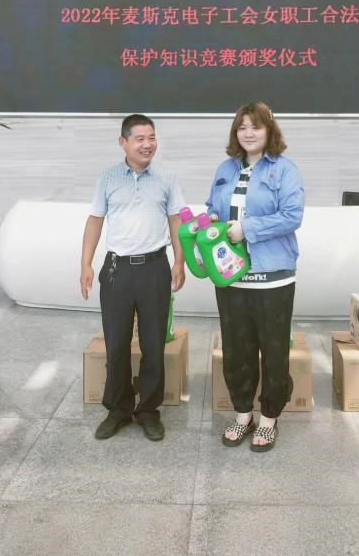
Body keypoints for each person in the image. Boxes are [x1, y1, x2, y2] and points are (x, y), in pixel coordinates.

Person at [80, 113, 185, 442]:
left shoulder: (167, 177)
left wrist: (179, 261)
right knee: (116, 344)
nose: (147, 144)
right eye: (140, 138)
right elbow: (95, 221)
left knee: (154, 344)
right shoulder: (108, 178)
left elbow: (176, 222)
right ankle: (118, 408)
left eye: (152, 137)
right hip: (117, 270)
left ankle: (149, 410)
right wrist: (85, 264)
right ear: (123, 142)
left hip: (155, 268)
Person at [206, 101, 304, 452]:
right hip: (231, 276)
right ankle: (243, 412)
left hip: (272, 276)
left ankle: (269, 417)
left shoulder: (285, 170)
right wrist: (209, 224)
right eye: (242, 127)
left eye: (255, 126)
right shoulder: (225, 168)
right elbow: (212, 209)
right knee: (236, 349)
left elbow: (292, 216)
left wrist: (247, 229)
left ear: (269, 130)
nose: (248, 133)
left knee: (273, 350)